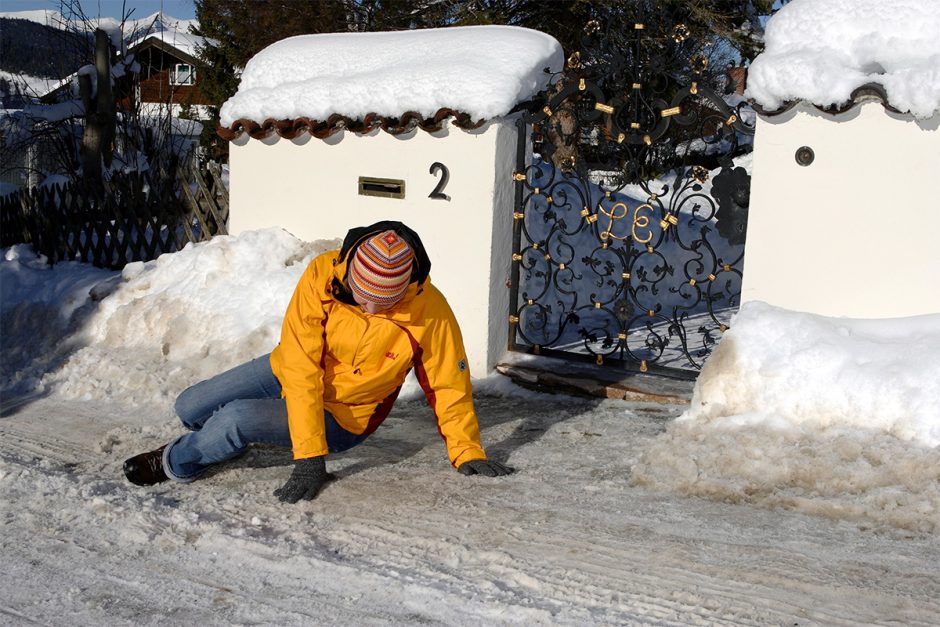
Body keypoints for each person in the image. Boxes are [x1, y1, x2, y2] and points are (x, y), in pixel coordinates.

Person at [123, 221, 513, 503]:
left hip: (345, 417)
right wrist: (309, 454)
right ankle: (220, 441)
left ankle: (178, 460)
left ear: (407, 285)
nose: (374, 308)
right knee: (189, 405)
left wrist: (468, 451)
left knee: (235, 418)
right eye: (365, 296)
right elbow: (301, 366)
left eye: (387, 302)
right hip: (290, 369)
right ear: (351, 273)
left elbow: (449, 386)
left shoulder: (431, 312)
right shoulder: (323, 275)